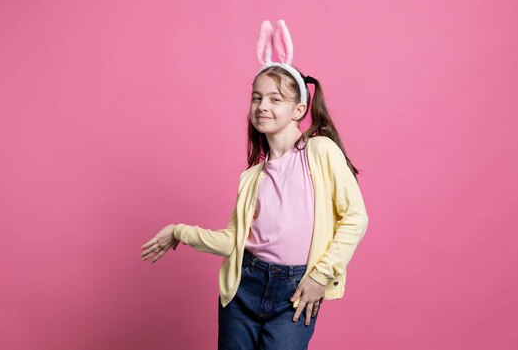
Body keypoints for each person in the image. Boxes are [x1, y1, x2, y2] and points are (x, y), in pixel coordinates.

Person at [141, 19, 369, 350]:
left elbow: (356, 218)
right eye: (257, 97)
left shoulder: (319, 152)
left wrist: (321, 275)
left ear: (299, 109)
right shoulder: (251, 179)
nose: (263, 106)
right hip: (242, 290)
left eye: (276, 99)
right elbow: (232, 241)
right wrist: (179, 232)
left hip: (295, 290)